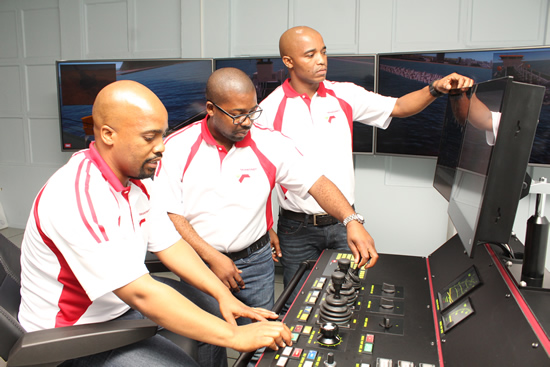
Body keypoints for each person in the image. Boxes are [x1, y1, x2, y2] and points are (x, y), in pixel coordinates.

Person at [18, 80, 292, 367]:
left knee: (214, 309)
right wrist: (236, 337)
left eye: (162, 135)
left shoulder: (136, 182)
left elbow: (171, 245)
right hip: (75, 333)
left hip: (117, 306)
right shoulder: (78, 196)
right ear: (108, 135)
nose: (161, 147)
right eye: (149, 137)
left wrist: (224, 295)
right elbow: (141, 293)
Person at [256, 25, 475, 308]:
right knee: (296, 303)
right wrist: (267, 226)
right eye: (310, 55)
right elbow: (261, 176)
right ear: (288, 61)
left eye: (323, 52)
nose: (321, 60)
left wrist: (434, 88)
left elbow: (399, 107)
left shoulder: (344, 94)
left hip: (343, 222)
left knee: (346, 299)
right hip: (296, 227)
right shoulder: (269, 111)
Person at [152, 67, 377, 321]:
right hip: (200, 261)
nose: (247, 121)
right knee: (209, 340)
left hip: (256, 262)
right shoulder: (177, 148)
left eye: (252, 111)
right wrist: (212, 256)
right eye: (237, 115)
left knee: (262, 335)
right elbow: (170, 214)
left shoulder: (270, 142)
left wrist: (351, 220)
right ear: (211, 109)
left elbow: (317, 183)